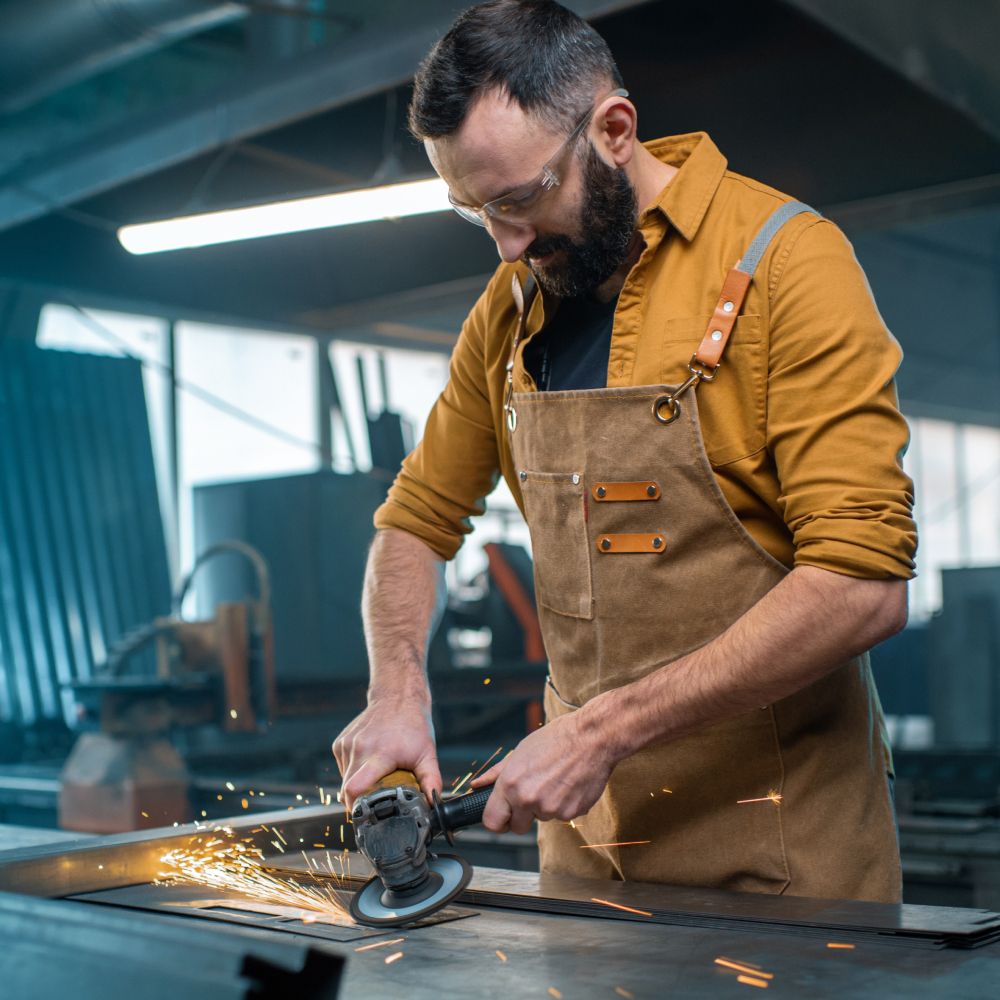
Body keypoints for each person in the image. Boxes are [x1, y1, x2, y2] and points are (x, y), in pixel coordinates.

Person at [333, 0, 916, 902]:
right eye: (474, 212)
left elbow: (861, 585)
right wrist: (397, 690)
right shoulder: (511, 306)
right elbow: (414, 519)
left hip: (785, 861)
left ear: (612, 130)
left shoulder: (787, 264)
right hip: (589, 856)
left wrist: (602, 733)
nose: (507, 243)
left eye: (523, 198)